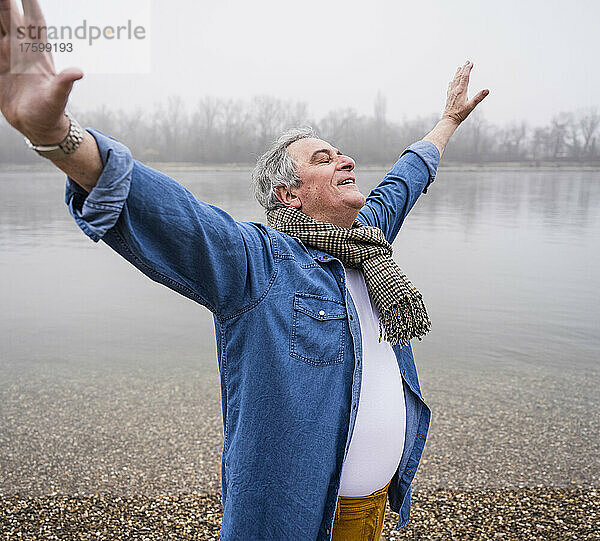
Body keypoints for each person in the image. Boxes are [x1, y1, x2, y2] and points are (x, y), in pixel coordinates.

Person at [0, 1, 489, 539]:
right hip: (298, 523)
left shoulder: (365, 243)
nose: (346, 160)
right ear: (289, 194)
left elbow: (406, 178)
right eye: (324, 160)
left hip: (376, 511)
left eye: (341, 154)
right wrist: (58, 138)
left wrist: (447, 122)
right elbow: (171, 215)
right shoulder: (258, 263)